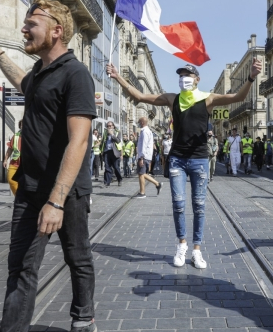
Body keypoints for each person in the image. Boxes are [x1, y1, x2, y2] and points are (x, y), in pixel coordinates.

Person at [0, 0, 97, 332]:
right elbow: (23, 82)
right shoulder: (41, 73)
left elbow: (80, 139)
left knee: (77, 256)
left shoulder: (76, 74)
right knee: (22, 266)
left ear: (57, 31)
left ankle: (83, 321)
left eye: (33, 23)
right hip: (29, 187)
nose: (25, 28)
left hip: (65, 191)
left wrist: (56, 200)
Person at [107, 59, 262, 269]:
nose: (183, 79)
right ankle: (182, 245)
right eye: (181, 76)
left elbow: (237, 96)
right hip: (177, 159)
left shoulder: (208, 99)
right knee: (178, 204)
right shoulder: (172, 99)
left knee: (199, 206)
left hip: (199, 159)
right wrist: (117, 77)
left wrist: (251, 77)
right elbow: (140, 96)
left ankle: (196, 250)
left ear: (197, 80)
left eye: (187, 76)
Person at [134, 117, 162, 198]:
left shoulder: (145, 132)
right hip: (146, 156)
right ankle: (156, 184)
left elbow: (144, 145)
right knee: (142, 174)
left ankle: (143, 192)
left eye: (139, 121)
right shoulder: (148, 131)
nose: (138, 123)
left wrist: (141, 157)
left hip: (144, 156)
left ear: (142, 122)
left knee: (141, 174)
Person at [99, 121, 123, 187]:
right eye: (108, 126)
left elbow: (118, 141)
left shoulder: (118, 132)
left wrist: (112, 134)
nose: (109, 127)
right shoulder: (105, 133)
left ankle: (119, 179)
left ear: (113, 126)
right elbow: (103, 142)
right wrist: (102, 151)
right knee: (107, 167)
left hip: (114, 152)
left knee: (116, 167)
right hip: (107, 152)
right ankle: (107, 182)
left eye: (110, 126)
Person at [3, 120, 22, 195]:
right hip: (15, 163)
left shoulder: (33, 135)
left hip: (27, 164)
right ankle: (19, 197)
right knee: (11, 180)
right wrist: (5, 160)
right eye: (22, 125)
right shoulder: (16, 136)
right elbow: (10, 149)